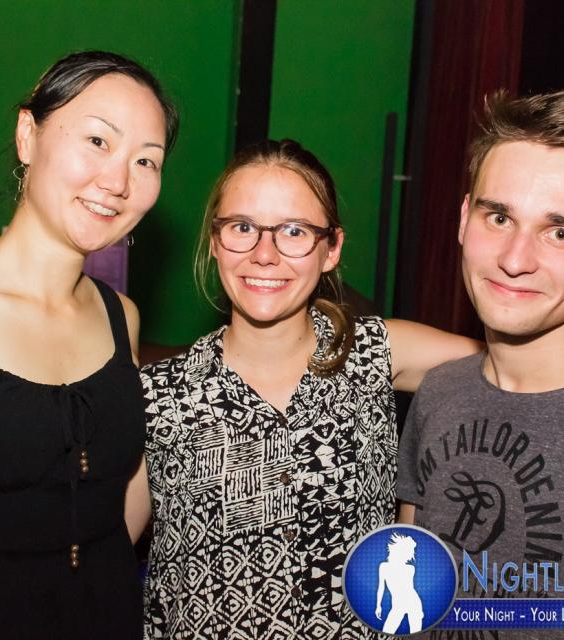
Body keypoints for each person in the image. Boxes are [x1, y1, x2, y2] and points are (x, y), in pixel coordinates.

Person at [138, 139, 480, 639]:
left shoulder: (374, 352)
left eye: (294, 231)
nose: (264, 254)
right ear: (214, 241)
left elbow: (527, 365)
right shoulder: (157, 395)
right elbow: (97, 551)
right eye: (242, 228)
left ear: (331, 249)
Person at [0, 51, 178, 640]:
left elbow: (113, 495)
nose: (119, 182)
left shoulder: (119, 316)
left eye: (146, 160)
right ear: (28, 135)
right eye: (98, 141)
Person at [397, 91, 564, 639]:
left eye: (560, 232)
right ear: (464, 219)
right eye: (499, 217)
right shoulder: (439, 392)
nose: (514, 259)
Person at [375, 533, 423, 634]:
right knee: (387, 631)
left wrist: (419, 611)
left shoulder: (410, 569)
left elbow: (410, 589)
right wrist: (378, 605)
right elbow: (381, 587)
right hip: (397, 605)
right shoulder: (383, 567)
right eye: (410, 552)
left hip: (413, 603)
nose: (411, 555)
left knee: (415, 634)